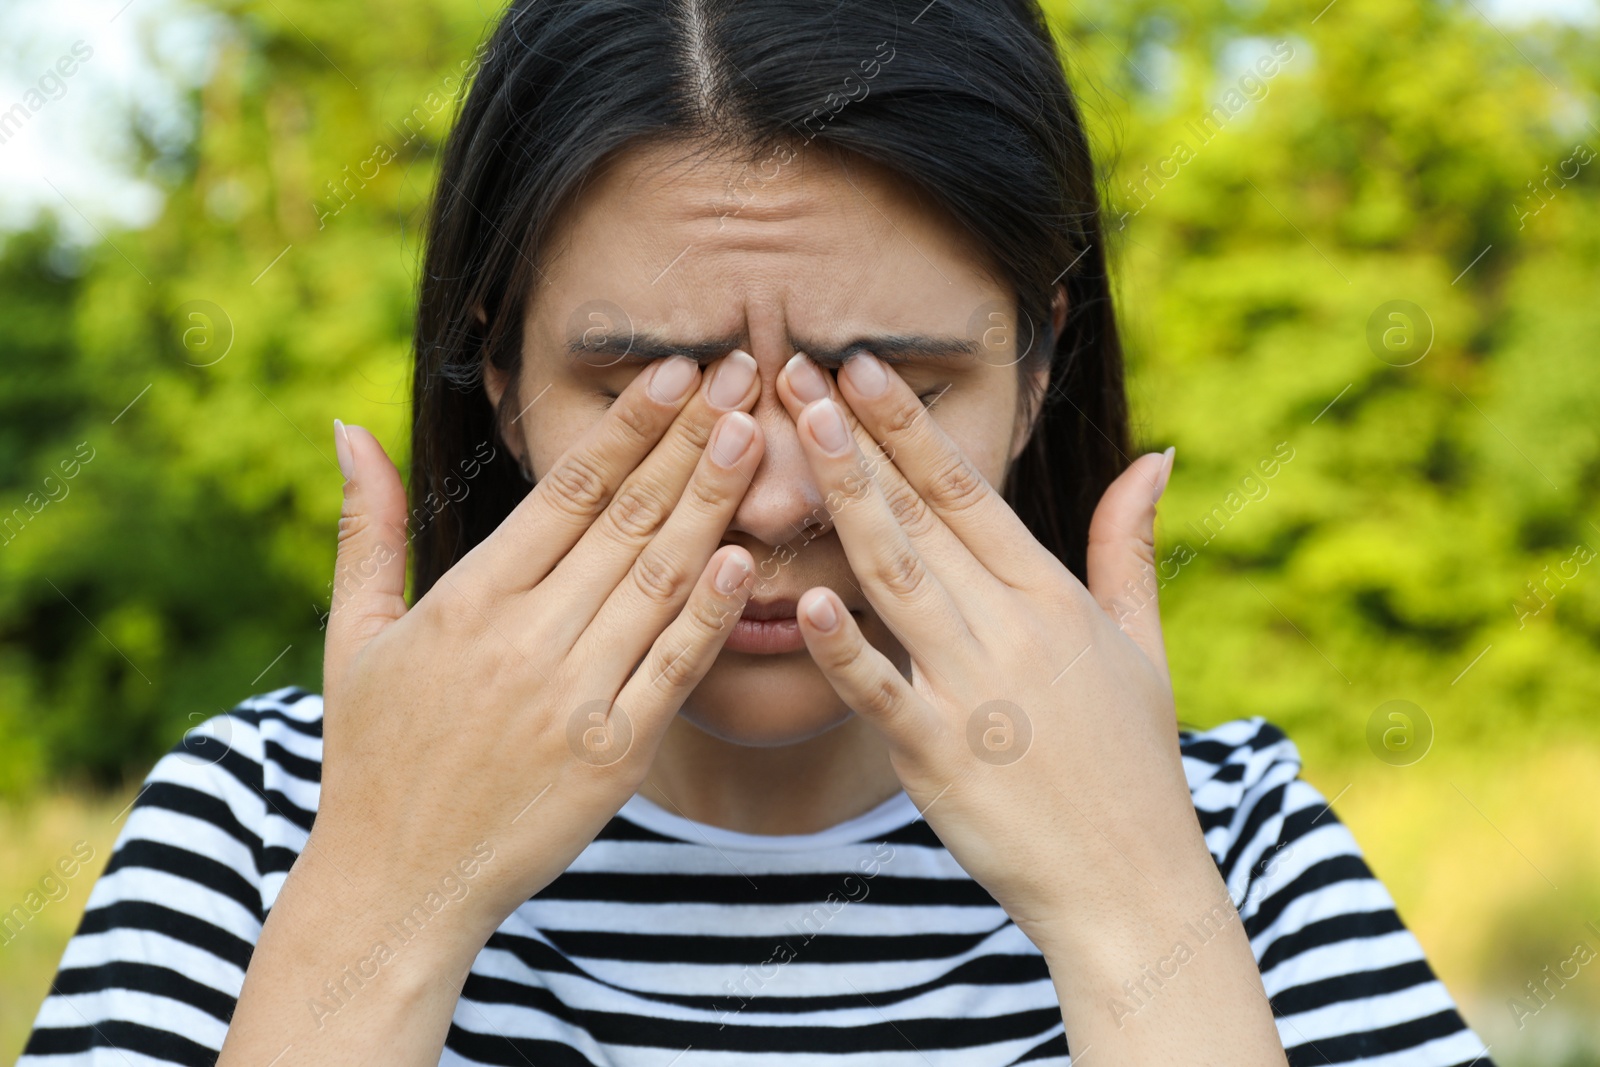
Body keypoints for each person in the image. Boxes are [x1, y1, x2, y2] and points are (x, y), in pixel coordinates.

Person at [22, 0, 1495, 1063]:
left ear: (1040, 371)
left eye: (895, 389)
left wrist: (1131, 916)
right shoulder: (267, 823)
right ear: (502, 377)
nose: (782, 495)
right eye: (644, 386)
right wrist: (389, 907)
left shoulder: (1230, 848)